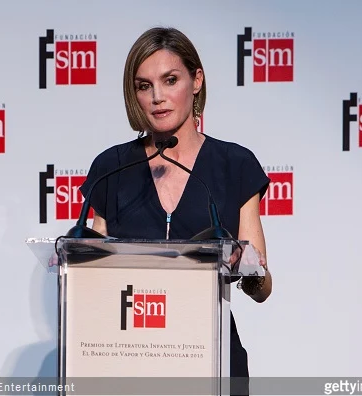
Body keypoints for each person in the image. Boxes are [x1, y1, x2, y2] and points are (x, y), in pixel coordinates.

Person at [79, 27, 272, 394]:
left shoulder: (235, 164)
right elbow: (92, 274)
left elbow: (262, 289)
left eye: (170, 80)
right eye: (143, 85)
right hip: (127, 361)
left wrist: (249, 267)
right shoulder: (112, 167)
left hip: (212, 361)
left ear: (196, 80)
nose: (157, 97)